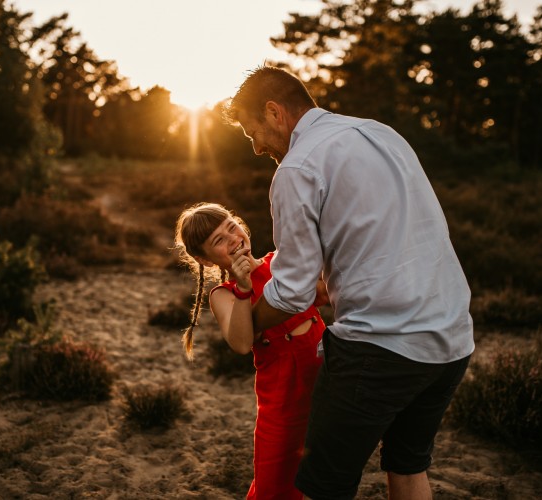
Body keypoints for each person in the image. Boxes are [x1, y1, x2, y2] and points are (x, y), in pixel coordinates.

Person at [224, 66, 475, 500]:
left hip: (380, 347)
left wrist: (248, 318)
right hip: (452, 338)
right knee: (408, 467)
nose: (257, 148)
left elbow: (292, 292)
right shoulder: (381, 133)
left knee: (324, 486)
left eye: (253, 133)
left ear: (273, 111)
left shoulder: (297, 167)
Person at [174, 202, 326, 500]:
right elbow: (242, 342)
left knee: (322, 475)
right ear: (203, 259)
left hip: (324, 377)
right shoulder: (224, 294)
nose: (232, 238)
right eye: (218, 240)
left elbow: (324, 292)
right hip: (282, 398)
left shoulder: (281, 263)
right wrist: (244, 286)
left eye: (232, 226)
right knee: (275, 484)